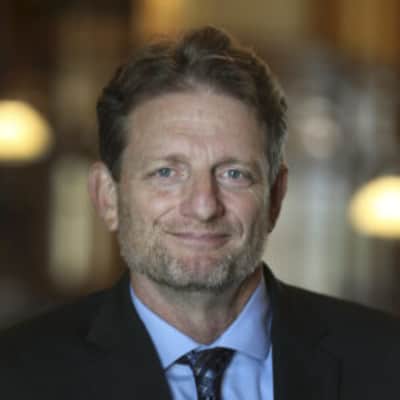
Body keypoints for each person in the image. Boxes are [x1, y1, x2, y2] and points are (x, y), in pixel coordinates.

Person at [1, 26, 400, 400]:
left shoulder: (387, 359)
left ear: (276, 196)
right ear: (107, 196)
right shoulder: (18, 375)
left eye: (233, 174)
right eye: (166, 173)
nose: (204, 206)